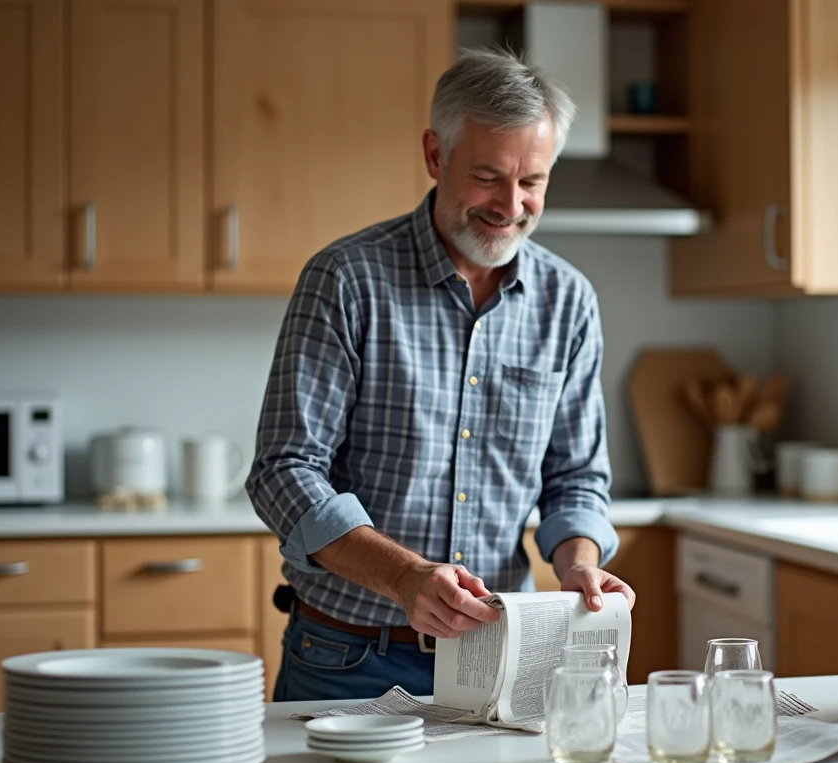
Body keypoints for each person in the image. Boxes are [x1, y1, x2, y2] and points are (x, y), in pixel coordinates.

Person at [246, 47, 636, 704]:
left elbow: (575, 478)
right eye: (488, 177)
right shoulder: (346, 280)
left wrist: (579, 568)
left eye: (533, 181)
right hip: (347, 658)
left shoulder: (568, 301)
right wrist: (406, 577)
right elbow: (284, 471)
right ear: (435, 155)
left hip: (500, 658)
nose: (511, 205)